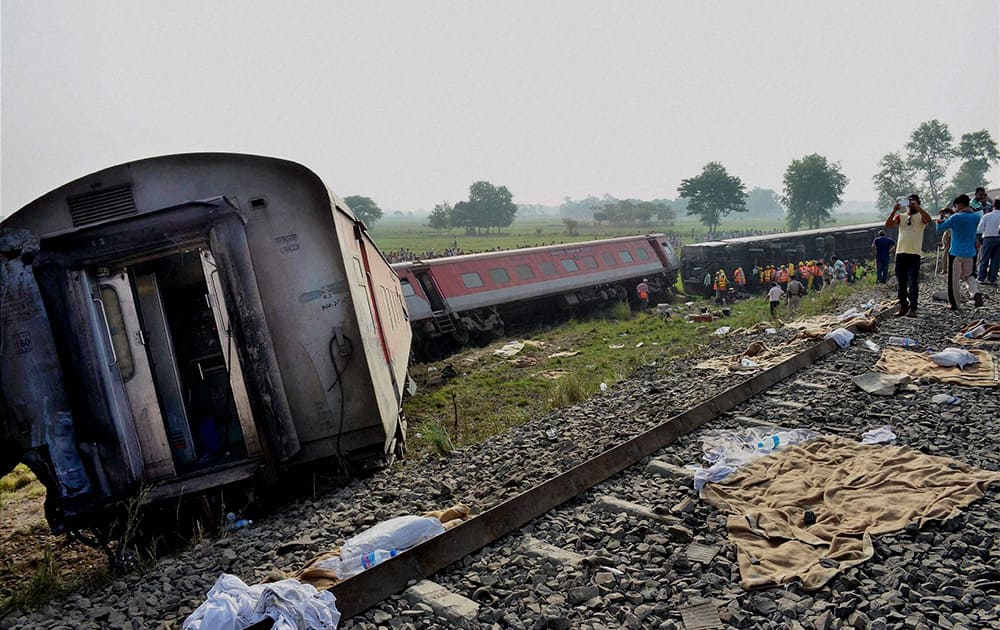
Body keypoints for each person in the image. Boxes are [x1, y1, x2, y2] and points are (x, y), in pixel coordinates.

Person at [886, 193, 931, 317]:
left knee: (913, 281)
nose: (910, 204)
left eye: (913, 202)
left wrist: (918, 208)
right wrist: (894, 210)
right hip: (900, 253)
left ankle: (913, 308)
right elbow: (888, 224)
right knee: (901, 282)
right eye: (909, 202)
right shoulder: (901, 216)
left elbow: (929, 220)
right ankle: (903, 306)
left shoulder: (920, 216)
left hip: (914, 254)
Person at [936, 194, 982, 310]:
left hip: (956, 253)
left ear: (959, 204)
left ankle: (955, 304)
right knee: (969, 276)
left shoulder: (956, 217)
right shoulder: (976, 217)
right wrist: (952, 212)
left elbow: (940, 227)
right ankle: (975, 292)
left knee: (954, 280)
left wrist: (941, 215)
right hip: (970, 253)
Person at [976, 198, 1000, 284]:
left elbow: (979, 229)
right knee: (996, 259)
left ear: (993, 206)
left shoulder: (986, 216)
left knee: (984, 258)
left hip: (988, 238)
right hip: (999, 238)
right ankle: (992, 278)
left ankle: (981, 278)